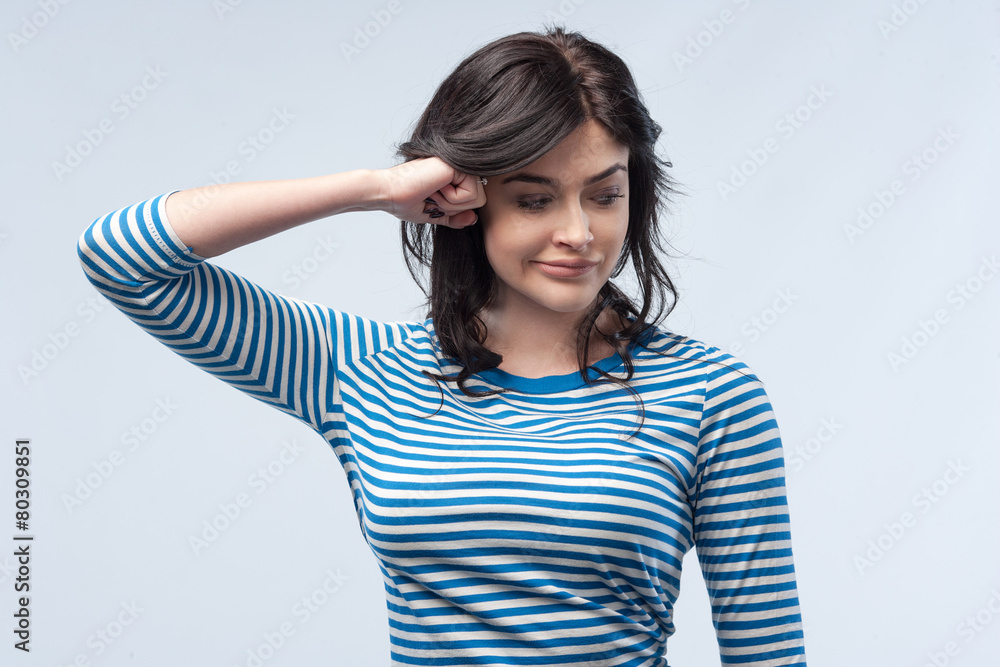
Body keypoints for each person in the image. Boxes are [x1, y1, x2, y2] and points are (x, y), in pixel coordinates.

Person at [78, 26, 807, 667]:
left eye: (604, 194)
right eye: (534, 197)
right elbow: (119, 254)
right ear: (466, 197)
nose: (580, 233)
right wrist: (373, 188)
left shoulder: (713, 394)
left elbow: (768, 654)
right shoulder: (358, 369)